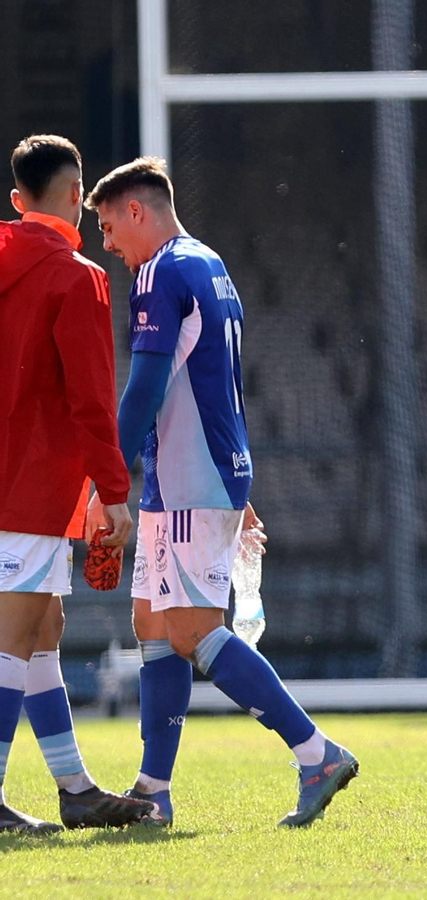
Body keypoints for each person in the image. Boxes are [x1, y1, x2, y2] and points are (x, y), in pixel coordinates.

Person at [85, 157, 357, 827]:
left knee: (191, 629)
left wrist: (109, 483)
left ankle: (315, 752)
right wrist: (238, 484)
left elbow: (147, 388)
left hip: (186, 477)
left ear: (138, 210)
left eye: (110, 224)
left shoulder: (159, 272)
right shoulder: (208, 263)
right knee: (151, 620)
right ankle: (153, 789)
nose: (107, 242)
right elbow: (212, 380)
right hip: (198, 471)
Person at [0, 135, 159, 833]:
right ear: (76, 195)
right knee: (13, 635)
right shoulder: (77, 276)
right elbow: (92, 400)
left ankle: (73, 787)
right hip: (30, 484)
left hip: (17, 481)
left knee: (43, 628)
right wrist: (114, 492)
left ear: (15, 199)